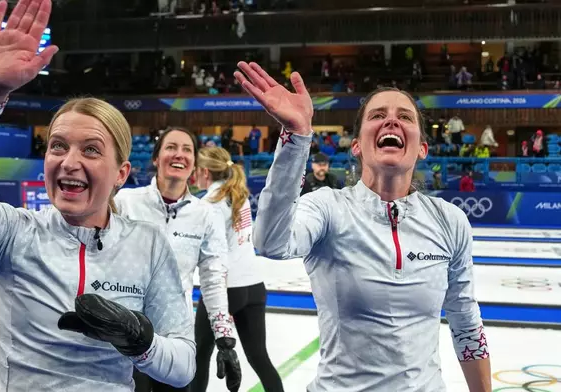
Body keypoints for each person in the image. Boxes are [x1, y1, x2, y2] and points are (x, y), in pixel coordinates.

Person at [0, 1, 195, 390]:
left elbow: (184, 364)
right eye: (57, 146)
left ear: (121, 173)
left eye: (90, 149)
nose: (69, 161)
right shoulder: (11, 236)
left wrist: (141, 341)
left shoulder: (148, 244)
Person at [234, 61, 492, 392]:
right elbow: (269, 241)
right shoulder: (328, 208)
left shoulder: (449, 220)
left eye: (405, 117)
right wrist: (296, 138)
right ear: (356, 145)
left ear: (423, 149)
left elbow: (466, 322)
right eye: (377, 115)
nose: (391, 120)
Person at [115, 128, 242, 392]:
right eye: (171, 147)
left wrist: (225, 338)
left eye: (187, 150)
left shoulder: (206, 215)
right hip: (125, 332)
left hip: (175, 338)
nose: (179, 154)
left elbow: (213, 279)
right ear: (155, 158)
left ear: (194, 163)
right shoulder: (125, 202)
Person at [190, 147, 284, 392]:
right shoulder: (237, 194)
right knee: (260, 359)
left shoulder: (209, 203)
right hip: (253, 286)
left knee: (199, 355)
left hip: (225, 289)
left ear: (203, 171)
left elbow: (208, 251)